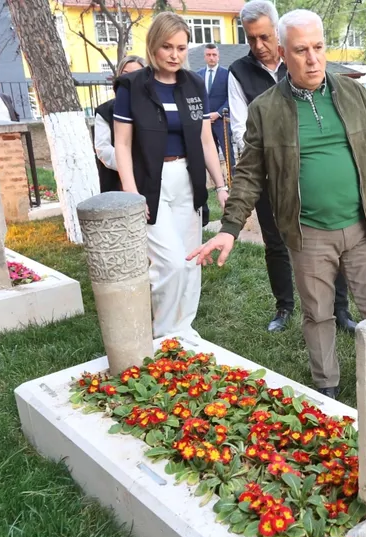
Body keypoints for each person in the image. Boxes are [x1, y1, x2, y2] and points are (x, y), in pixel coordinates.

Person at [190, 9, 366, 400]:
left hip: (362, 226)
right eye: (301, 50)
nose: (313, 58)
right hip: (309, 232)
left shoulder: (353, 93)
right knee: (317, 313)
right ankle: (328, 389)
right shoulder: (266, 109)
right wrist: (230, 228)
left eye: (318, 47)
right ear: (284, 53)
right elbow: (249, 173)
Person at [228, 0, 353, 334]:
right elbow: (241, 129)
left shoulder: (300, 59)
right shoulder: (239, 72)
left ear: (278, 36)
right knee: (276, 242)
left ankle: (340, 309)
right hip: (271, 175)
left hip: (311, 175)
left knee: (330, 238)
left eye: (264, 36)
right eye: (251, 38)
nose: (258, 45)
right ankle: (284, 306)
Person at [114, 13, 229, 340]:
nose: (174, 54)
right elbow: (121, 145)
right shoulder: (132, 86)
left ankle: (184, 327)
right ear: (153, 46)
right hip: (151, 182)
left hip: (187, 180)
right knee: (170, 264)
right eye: (167, 47)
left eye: (181, 47)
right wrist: (132, 193)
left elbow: (206, 139)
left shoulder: (194, 84)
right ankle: (163, 334)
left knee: (191, 262)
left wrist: (220, 185)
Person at [93, 55, 145, 193]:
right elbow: (103, 149)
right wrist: (130, 166)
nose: (130, 79)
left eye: (136, 74)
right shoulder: (105, 111)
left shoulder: (154, 109)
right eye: (125, 74)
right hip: (117, 181)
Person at [199, 43, 230, 169]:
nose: (211, 57)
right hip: (205, 123)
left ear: (218, 56)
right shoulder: (198, 75)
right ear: (204, 57)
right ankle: (217, 183)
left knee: (228, 155)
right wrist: (204, 115)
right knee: (210, 155)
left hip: (222, 121)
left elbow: (231, 98)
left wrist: (217, 113)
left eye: (214, 55)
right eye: (208, 55)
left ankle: (232, 182)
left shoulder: (227, 74)